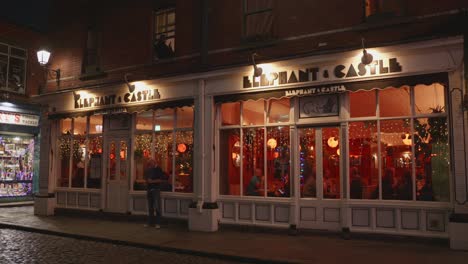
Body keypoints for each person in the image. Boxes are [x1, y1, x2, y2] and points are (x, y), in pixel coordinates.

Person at [144, 159, 167, 228]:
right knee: (150, 208)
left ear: (154, 163)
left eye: (150, 164)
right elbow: (147, 179)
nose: (150, 166)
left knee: (157, 207)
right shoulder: (149, 170)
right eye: (149, 165)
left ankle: (158, 223)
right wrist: (147, 182)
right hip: (149, 189)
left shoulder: (158, 169)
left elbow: (161, 179)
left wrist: (152, 181)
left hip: (156, 190)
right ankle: (150, 223)